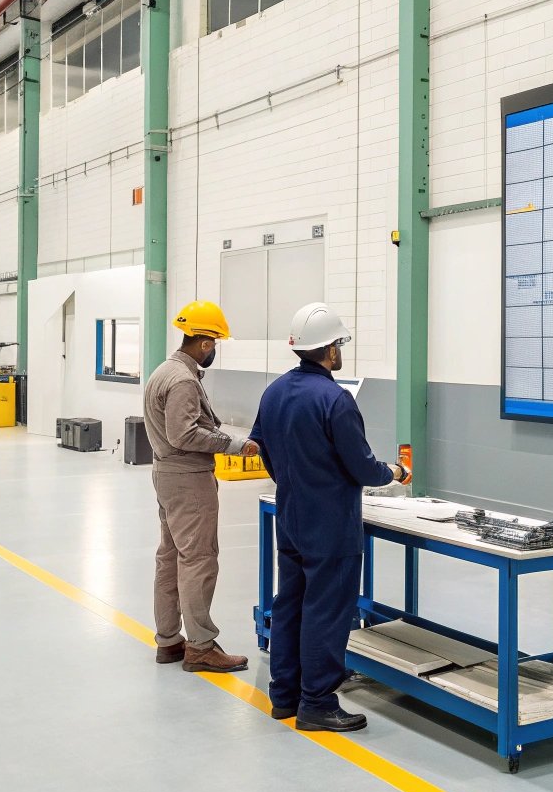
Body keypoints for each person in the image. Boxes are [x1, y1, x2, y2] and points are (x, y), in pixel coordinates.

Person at [248, 302, 408, 732]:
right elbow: (362, 468)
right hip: (331, 526)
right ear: (330, 349)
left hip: (290, 517)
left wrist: (290, 480)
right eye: (339, 344)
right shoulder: (336, 400)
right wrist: (393, 473)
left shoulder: (273, 392)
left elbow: (261, 446)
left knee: (290, 604)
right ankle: (317, 702)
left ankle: (284, 696)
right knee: (326, 610)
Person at [142, 300, 257, 674]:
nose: (214, 350)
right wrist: (235, 445)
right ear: (205, 343)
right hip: (188, 481)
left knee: (171, 557)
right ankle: (201, 647)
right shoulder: (183, 380)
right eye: (215, 344)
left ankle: (168, 640)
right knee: (198, 560)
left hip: (167, 477)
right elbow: (184, 434)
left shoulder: (163, 371)